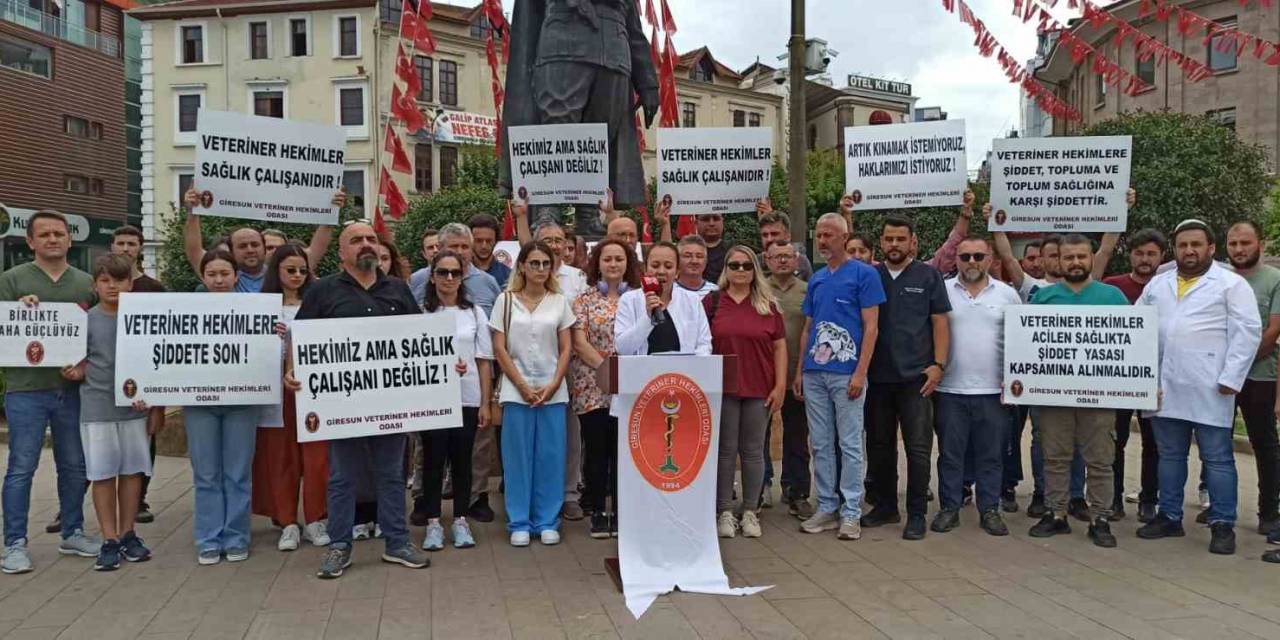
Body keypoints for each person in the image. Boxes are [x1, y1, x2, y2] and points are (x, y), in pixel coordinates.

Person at [286, 222, 431, 578]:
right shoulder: (322, 291)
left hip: (391, 403)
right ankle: (340, 546)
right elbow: (300, 336)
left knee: (392, 474)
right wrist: (292, 369)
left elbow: (420, 338)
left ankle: (397, 542)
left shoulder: (398, 289)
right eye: (357, 240)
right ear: (342, 252)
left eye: (371, 239)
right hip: (343, 404)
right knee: (343, 477)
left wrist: (444, 363)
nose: (366, 245)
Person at [1135, 220, 1260, 555]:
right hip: (1165, 386)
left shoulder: (1230, 284)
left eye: (1196, 245)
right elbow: (1137, 330)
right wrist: (1142, 380)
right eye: (1183, 246)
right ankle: (1170, 516)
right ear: (1174, 250)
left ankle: (1222, 524)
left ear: (1211, 248)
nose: (1189, 251)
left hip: (1211, 385)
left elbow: (1247, 332)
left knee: (1217, 458)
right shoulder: (1156, 286)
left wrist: (1231, 377)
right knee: (1170, 455)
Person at [0, 210, 100, 574]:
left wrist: (84, 368)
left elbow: (98, 335)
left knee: (75, 466)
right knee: (21, 468)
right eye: (44, 235)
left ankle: (72, 531)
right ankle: (13, 543)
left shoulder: (86, 282)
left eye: (59, 233)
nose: (53, 239)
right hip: (26, 390)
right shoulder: (11, 280)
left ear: (69, 240)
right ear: (30, 242)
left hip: (72, 391)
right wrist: (16, 311)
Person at [1027, 234, 1130, 548]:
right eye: (1068, 257)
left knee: (1100, 459)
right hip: (1053, 393)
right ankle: (1056, 513)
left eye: (1081, 257)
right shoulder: (1042, 298)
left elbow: (1133, 343)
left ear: (1091, 258)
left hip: (1099, 394)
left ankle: (1100, 518)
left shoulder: (1112, 297)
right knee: (1055, 457)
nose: (1074, 263)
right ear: (1059, 260)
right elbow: (1027, 345)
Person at [794, 213, 885, 541]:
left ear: (844, 238)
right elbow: (808, 328)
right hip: (815, 373)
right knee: (820, 443)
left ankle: (851, 511)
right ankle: (827, 507)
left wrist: (860, 372)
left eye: (829, 235)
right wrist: (800, 370)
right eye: (818, 235)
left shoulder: (864, 275)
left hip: (846, 374)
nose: (822, 241)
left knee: (849, 443)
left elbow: (871, 328)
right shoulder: (817, 278)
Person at [862, 215, 951, 540]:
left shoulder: (928, 275)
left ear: (913, 241)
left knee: (917, 448)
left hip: (917, 379)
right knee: (880, 446)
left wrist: (938, 364)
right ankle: (886, 506)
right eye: (889, 239)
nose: (895, 244)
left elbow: (940, 321)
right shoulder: (871, 276)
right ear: (882, 241)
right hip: (878, 378)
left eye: (901, 239)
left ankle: (916, 513)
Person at [931, 237, 1020, 537]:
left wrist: (1015, 380)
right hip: (949, 390)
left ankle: (990, 510)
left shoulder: (1008, 295)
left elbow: (1020, 341)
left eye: (978, 256)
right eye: (965, 256)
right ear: (955, 259)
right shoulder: (941, 291)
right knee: (950, 454)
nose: (971, 262)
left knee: (991, 455)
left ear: (990, 258)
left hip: (993, 392)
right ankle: (949, 508)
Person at [489, 241, 576, 547]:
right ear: (522, 266)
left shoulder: (559, 301)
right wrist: (523, 386)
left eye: (545, 264)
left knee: (551, 457)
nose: (540, 269)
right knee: (518, 459)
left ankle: (547, 521)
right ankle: (520, 522)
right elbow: (499, 348)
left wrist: (553, 383)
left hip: (553, 390)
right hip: (517, 391)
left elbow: (566, 347)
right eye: (534, 263)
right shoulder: (505, 301)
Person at [76, 254, 157, 570]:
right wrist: (73, 369)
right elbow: (73, 361)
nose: (112, 286)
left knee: (132, 473)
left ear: (130, 283)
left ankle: (128, 533)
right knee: (103, 474)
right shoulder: (86, 320)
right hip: (98, 410)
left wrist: (152, 396)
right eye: (105, 280)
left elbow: (157, 360)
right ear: (95, 284)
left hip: (134, 410)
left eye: (119, 280)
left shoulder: (143, 318)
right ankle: (108, 539)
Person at [181, 250, 261, 564]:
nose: (218, 280)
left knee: (238, 474)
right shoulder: (184, 310)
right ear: (203, 277)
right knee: (206, 474)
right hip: (200, 401)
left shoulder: (256, 308)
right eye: (212, 274)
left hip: (242, 401)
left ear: (236, 277)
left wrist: (275, 334)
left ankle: (237, 537)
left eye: (224, 274)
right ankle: (208, 539)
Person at [252, 244, 330, 552]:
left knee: (317, 457)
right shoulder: (261, 306)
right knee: (280, 458)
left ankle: (316, 518)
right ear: (277, 272)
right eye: (290, 270)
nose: (297, 276)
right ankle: (286, 522)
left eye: (302, 270)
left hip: (314, 391)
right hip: (276, 393)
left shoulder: (321, 302)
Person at [706, 247, 786, 539]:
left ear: (755, 270)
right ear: (725, 268)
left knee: (753, 451)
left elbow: (779, 347)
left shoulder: (768, 305)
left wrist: (779, 386)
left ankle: (750, 510)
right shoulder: (713, 302)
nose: (740, 270)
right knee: (725, 451)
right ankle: (724, 510)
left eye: (746, 265)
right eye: (734, 264)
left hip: (759, 387)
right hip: (723, 388)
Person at [418, 251, 493, 551]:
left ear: (462, 277)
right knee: (433, 461)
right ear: (432, 276)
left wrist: (486, 402)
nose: (449, 278)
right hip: (432, 399)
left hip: (468, 396)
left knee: (463, 461)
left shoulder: (474, 312)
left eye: (455, 273)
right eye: (442, 272)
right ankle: (433, 522)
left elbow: (484, 361)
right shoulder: (421, 312)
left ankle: (461, 519)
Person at [570, 239, 641, 538]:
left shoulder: (639, 299)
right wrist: (607, 371)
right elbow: (579, 341)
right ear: (596, 263)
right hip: (593, 385)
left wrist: (622, 375)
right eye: (607, 259)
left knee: (623, 451)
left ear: (628, 264)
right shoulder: (583, 300)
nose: (613, 264)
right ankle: (598, 509)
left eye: (619, 259)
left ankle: (623, 511)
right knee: (597, 450)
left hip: (630, 385)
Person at [1102, 229, 1167, 523]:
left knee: (1154, 442)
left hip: (1156, 378)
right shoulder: (1112, 286)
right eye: (1139, 253)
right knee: (1115, 439)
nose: (1145, 259)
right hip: (1118, 377)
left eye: (1151, 253)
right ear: (1130, 255)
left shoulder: (1169, 288)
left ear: (1162, 257)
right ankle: (1113, 499)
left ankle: (1149, 500)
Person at [1224, 221, 1280, 537]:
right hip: (1220, 379)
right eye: (1233, 244)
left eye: (1245, 243)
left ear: (1259, 242)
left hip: (1259, 376)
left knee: (1265, 445)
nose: (1239, 250)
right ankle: (1220, 509)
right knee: (1217, 442)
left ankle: (1269, 513)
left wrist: (1237, 364)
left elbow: (1273, 331)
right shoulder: (1219, 280)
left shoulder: (1274, 280)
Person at [109, 225, 166, 525]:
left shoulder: (155, 289)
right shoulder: (101, 284)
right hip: (107, 372)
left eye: (132, 243)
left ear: (140, 248)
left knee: (146, 438)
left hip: (145, 371)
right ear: (112, 246)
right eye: (121, 243)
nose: (126, 248)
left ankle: (139, 497)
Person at [181, 187, 341, 290]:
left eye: (255, 244)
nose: (250, 250)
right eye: (242, 246)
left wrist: (330, 211)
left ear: (264, 248)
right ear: (231, 251)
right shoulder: (223, 275)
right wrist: (192, 213)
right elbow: (194, 250)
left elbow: (315, 250)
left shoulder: (283, 272)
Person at [763, 241, 813, 518]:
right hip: (764, 375)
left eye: (787, 256)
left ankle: (798, 492)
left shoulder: (808, 291)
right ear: (767, 260)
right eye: (776, 257)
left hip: (798, 373)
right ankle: (759, 489)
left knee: (797, 436)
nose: (782, 261)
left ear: (796, 261)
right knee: (758, 437)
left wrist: (804, 371)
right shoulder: (758, 289)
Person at [614, 242, 712, 359]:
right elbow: (622, 349)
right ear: (645, 270)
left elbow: (704, 345)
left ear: (677, 272)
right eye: (655, 266)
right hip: (641, 374)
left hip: (683, 374)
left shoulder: (692, 300)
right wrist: (648, 318)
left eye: (668, 266)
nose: (661, 271)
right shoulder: (629, 300)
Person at [409, 224, 502, 316]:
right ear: (440, 248)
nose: (459, 252)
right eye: (454, 246)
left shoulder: (488, 282)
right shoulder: (417, 280)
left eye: (465, 247)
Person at [753, 201, 813, 279]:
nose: (769, 239)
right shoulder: (753, 264)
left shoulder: (801, 263)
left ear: (788, 236)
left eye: (774, 234)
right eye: (765, 235)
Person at [468, 214, 512, 287]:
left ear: (496, 241)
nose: (484, 246)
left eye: (489, 241)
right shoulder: (460, 273)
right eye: (478, 240)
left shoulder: (507, 276)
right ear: (470, 241)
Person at [675, 235, 718, 299]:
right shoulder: (668, 291)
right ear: (677, 259)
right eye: (688, 256)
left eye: (699, 256)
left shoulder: (716, 291)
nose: (694, 261)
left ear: (706, 261)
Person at [697, 214, 728, 283]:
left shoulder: (735, 251)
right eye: (705, 219)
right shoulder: (685, 251)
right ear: (696, 222)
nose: (711, 223)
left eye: (716, 218)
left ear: (722, 221)